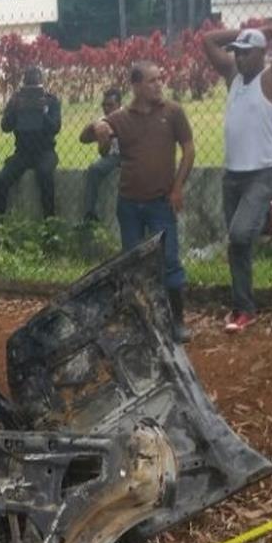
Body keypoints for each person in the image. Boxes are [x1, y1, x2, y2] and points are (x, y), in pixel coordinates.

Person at [82, 61, 195, 342]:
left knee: (169, 262)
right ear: (135, 86)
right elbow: (86, 136)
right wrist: (98, 126)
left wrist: (178, 187)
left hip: (161, 203)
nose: (159, 84)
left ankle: (177, 321)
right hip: (130, 205)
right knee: (133, 265)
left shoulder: (172, 112)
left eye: (160, 79)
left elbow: (189, 149)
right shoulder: (121, 117)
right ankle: (137, 322)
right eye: (151, 81)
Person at [201, 24, 272, 332]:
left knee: (241, 233)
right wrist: (242, 30)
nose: (240, 59)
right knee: (238, 246)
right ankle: (244, 309)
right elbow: (207, 41)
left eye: (247, 53)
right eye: (237, 53)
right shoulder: (233, 76)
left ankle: (266, 217)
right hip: (232, 175)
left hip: (262, 174)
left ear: (261, 54)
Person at [0, 66, 61, 218]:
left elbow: (55, 128)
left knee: (45, 175)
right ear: (23, 85)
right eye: (28, 85)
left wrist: (42, 111)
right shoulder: (17, 101)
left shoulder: (51, 101)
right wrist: (15, 109)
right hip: (22, 152)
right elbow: (5, 127)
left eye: (35, 85)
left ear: (42, 84)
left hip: (45, 151)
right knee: (1, 180)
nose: (31, 90)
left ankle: (49, 222)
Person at [81, 88, 123, 223]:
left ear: (119, 105)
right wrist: (93, 126)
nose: (106, 108)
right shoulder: (103, 122)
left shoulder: (128, 117)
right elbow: (83, 138)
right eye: (104, 105)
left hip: (131, 155)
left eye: (110, 105)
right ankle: (89, 213)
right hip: (113, 157)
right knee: (94, 169)